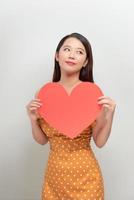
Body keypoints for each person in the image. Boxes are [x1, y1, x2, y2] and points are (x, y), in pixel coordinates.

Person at [26, 32, 116, 200]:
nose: (72, 55)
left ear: (86, 62)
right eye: (67, 49)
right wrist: (32, 119)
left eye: (79, 52)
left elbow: (100, 142)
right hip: (54, 179)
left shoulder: (91, 95)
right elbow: (43, 140)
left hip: (87, 180)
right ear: (57, 56)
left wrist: (110, 115)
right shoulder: (44, 93)